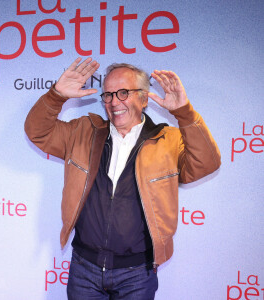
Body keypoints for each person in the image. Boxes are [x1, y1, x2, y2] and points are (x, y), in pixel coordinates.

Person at [25, 57, 221, 299]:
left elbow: (207, 163)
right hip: (84, 268)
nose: (113, 102)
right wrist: (56, 96)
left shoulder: (168, 140)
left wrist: (185, 114)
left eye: (123, 93)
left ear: (144, 97)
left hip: (137, 274)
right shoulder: (83, 132)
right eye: (108, 95)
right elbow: (38, 132)